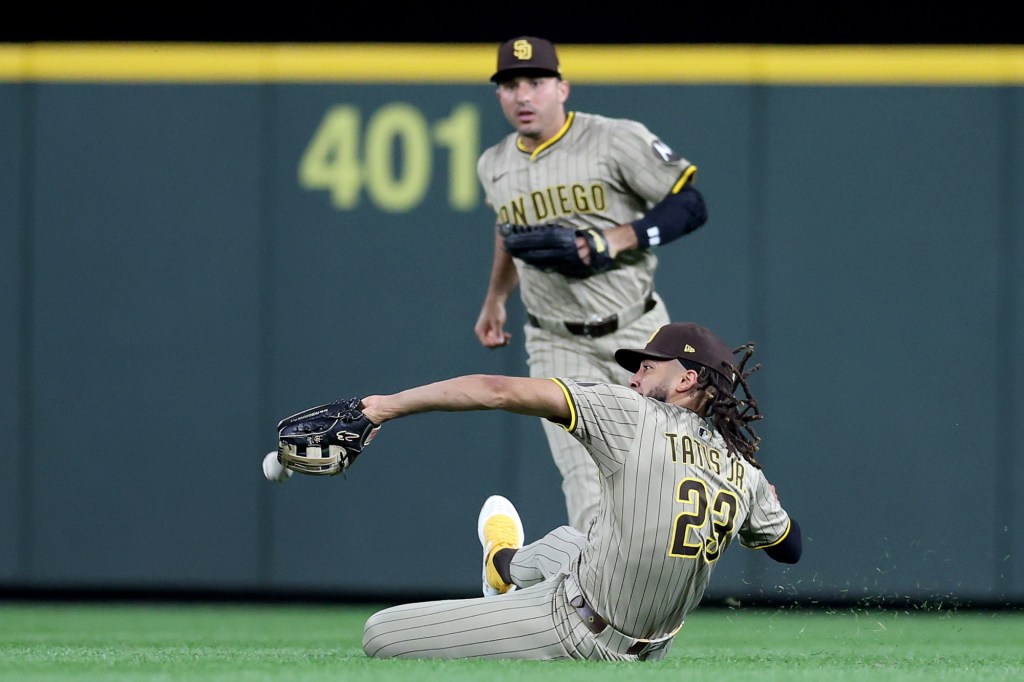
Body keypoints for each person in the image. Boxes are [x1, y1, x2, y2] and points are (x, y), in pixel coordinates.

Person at [358, 321, 802, 660]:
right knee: (570, 543)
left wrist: (384, 407)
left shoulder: (631, 412)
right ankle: (501, 563)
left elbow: (495, 390)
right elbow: (790, 547)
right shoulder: (744, 470)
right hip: (655, 645)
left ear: (686, 380)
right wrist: (762, 502)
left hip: (578, 627)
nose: (634, 380)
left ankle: (503, 569)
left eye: (648, 368)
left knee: (378, 634)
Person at [474, 36, 710, 532]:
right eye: (510, 85)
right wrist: (496, 297)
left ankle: (521, 569)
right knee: (585, 487)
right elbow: (510, 235)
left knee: (664, 475)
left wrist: (613, 240)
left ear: (562, 87)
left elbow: (691, 204)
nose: (522, 95)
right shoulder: (493, 164)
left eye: (535, 82)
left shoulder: (614, 139)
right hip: (555, 341)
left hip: (640, 335)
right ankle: (596, 607)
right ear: (498, 95)